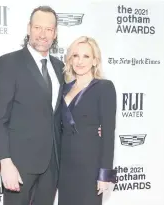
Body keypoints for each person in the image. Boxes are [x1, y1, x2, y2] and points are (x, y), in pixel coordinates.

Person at [0, 6, 64, 205]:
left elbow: (63, 114)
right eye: (38, 27)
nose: (43, 34)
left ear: (55, 34)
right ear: (29, 28)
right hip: (19, 165)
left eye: (48, 29)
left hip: (52, 165)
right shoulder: (9, 63)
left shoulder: (60, 67)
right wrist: (5, 162)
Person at [58, 36, 117, 205]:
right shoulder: (64, 88)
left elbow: (108, 134)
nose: (80, 61)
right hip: (65, 165)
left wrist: (105, 174)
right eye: (75, 56)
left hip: (89, 166)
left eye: (86, 56)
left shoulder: (104, 87)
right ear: (70, 59)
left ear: (94, 60)